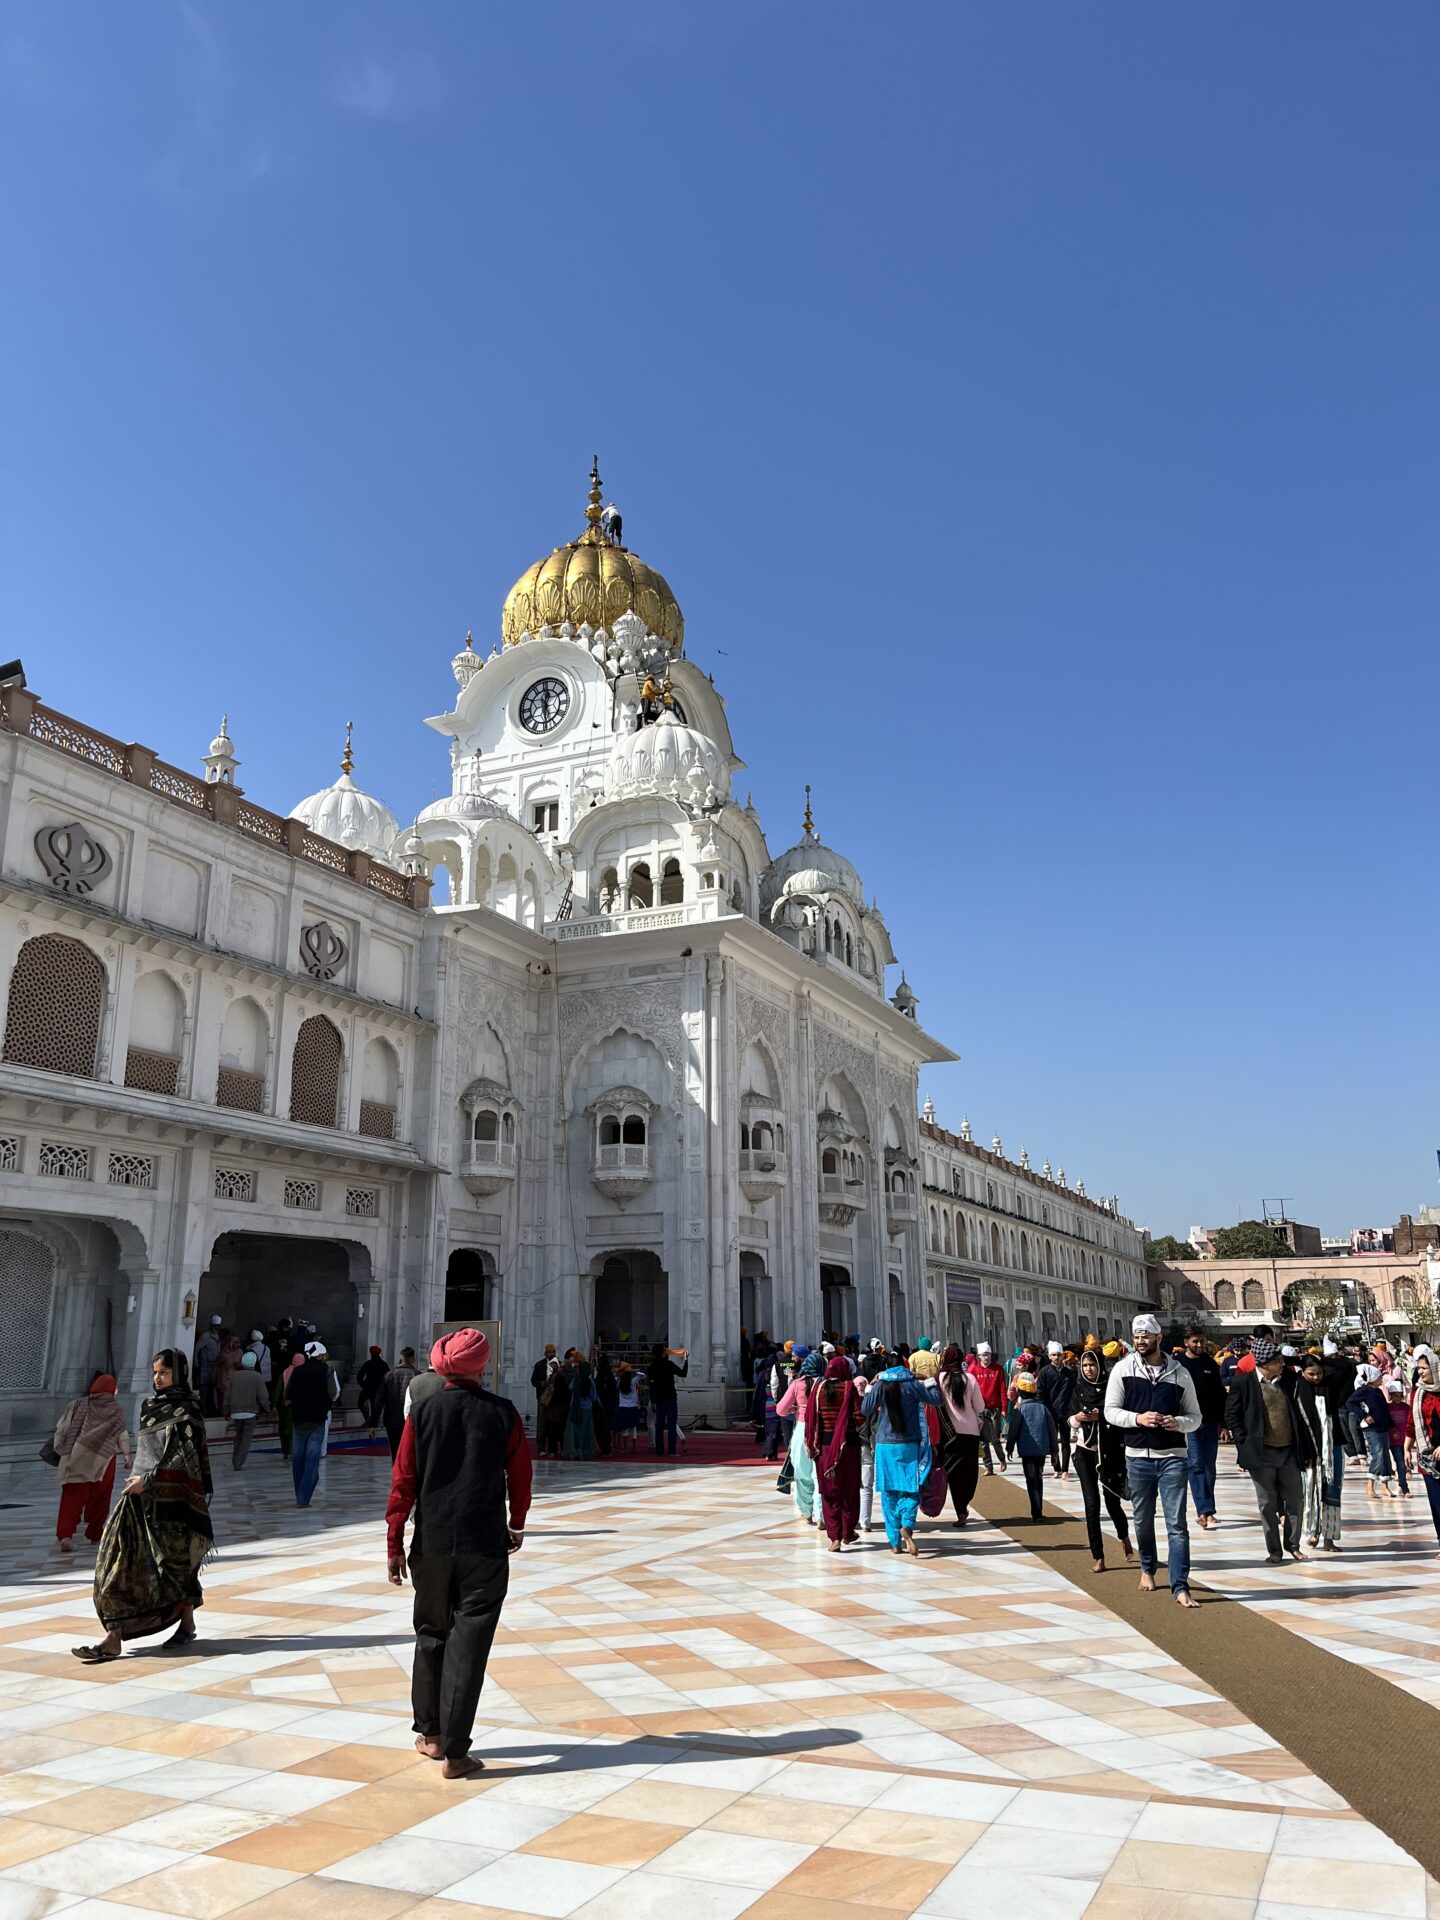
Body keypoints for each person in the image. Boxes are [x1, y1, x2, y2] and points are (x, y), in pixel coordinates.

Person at [386, 1328, 531, 1780]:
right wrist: (516, 1524)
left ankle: (429, 1735)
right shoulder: (503, 1414)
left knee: (431, 1633)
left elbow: (403, 1481)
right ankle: (456, 1752)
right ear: (482, 1365)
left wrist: (394, 1541)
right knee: (469, 1644)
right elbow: (521, 1479)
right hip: (483, 1543)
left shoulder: (424, 1413)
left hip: (431, 1542)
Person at [72, 1349, 212, 1663]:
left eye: (163, 1372)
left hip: (175, 1502)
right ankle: (114, 1634)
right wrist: (139, 1480)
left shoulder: (187, 1410)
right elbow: (146, 1451)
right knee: (118, 1564)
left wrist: (148, 1480)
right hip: (137, 1498)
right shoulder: (150, 1406)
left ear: (178, 1373)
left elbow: (184, 1459)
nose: (157, 1378)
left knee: (174, 1568)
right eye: (154, 1372)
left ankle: (184, 1625)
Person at [1104, 1313, 1202, 1608]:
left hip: (1172, 1456)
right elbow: (1111, 1411)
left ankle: (1180, 1585)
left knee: (1176, 1523)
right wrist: (1137, 1418)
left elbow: (1195, 1417)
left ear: (1159, 1337)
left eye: (1146, 1335)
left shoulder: (1179, 1373)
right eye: (1137, 1336)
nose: (1141, 1341)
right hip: (1137, 1457)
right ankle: (1148, 1567)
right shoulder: (1123, 1370)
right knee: (1143, 1520)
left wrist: (1179, 1423)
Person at [1225, 1338, 1314, 1565]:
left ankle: (1293, 1545)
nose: (1282, 1364)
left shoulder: (1289, 1381)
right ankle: (1274, 1550)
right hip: (1261, 1453)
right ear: (1264, 1363)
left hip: (1288, 1452)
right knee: (1267, 1504)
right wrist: (1244, 1442)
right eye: (1277, 1361)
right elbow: (1232, 1416)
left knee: (1295, 1500)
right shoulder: (1243, 1383)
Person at [860, 1355, 940, 1556]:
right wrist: (928, 1380)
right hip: (908, 1444)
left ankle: (895, 1542)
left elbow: (865, 1408)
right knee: (911, 1488)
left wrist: (871, 1385)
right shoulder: (911, 1384)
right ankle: (907, 1525)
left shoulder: (882, 1384)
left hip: (885, 1445)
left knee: (889, 1492)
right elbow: (937, 1400)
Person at [1069, 1347, 1132, 1571]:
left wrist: (1102, 1414)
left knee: (1112, 1500)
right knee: (1091, 1504)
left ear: (1101, 1367)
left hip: (1107, 1451)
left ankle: (1123, 1536)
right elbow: (1069, 1419)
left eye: (1092, 1365)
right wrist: (1078, 1417)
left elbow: (1120, 1415)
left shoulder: (1111, 1388)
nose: (1088, 1369)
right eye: (1085, 1365)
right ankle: (1098, 1556)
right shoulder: (1077, 1388)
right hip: (1084, 1450)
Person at [52, 1373, 131, 1552]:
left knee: (71, 1498)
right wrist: (127, 1455)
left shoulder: (77, 1404)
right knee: (101, 1498)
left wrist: (63, 1450)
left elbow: (62, 1430)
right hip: (103, 1462)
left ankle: (65, 1535)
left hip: (76, 1457)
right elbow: (122, 1434)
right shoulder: (114, 1409)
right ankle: (95, 1533)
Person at [806, 1355, 865, 1549]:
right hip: (848, 1446)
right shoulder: (849, 1388)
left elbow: (812, 1420)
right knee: (849, 1489)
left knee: (830, 1492)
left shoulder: (818, 1390)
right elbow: (859, 1418)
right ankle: (848, 1532)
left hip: (824, 1447)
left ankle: (835, 1537)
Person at [1295, 1348, 1345, 1552]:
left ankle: (1329, 1537)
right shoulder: (1297, 1389)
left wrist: (1320, 1359)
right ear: (1302, 1373)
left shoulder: (1330, 1385)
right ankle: (1312, 1532)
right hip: (1309, 1448)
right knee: (1310, 1489)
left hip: (1333, 1445)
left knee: (1332, 1489)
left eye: (1319, 1373)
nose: (1316, 1377)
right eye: (1311, 1374)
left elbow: (1346, 1367)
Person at [1179, 1329, 1226, 1530]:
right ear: (1186, 1342)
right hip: (1189, 1423)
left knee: (1209, 1467)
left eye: (1202, 1341)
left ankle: (1207, 1508)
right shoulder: (1179, 1365)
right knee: (1195, 1465)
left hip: (1210, 1422)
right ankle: (1204, 1510)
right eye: (1195, 1341)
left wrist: (1224, 1425)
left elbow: (1220, 1394)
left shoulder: (1209, 1364)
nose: (1199, 1345)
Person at [934, 1343, 986, 1526]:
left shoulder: (938, 1379)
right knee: (970, 1471)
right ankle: (964, 1503)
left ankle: (960, 1511)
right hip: (971, 1432)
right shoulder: (969, 1378)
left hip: (948, 1434)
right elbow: (980, 1407)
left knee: (953, 1473)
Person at [288, 1340, 339, 1508]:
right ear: (321, 1356)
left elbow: (288, 1394)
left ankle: (298, 1495)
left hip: (299, 1418)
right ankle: (303, 1498)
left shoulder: (298, 1371)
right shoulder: (326, 1371)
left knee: (298, 1459)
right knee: (311, 1460)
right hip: (317, 1419)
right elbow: (333, 1393)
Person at [776, 1350, 826, 1524]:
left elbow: (780, 1409)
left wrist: (795, 1409)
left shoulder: (798, 1384)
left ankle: (807, 1512)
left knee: (802, 1473)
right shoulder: (826, 1384)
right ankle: (821, 1516)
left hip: (803, 1429)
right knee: (819, 1475)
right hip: (822, 1430)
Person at [1007, 1373, 1056, 1520]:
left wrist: (1009, 1447)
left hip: (1027, 1451)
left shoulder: (1019, 1410)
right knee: (1038, 1478)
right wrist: (1054, 1452)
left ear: (1020, 1393)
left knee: (1031, 1480)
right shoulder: (1043, 1409)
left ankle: (1036, 1512)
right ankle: (1038, 1510)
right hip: (1041, 1450)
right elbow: (1052, 1431)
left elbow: (1013, 1430)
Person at [1346, 1363, 1394, 1500]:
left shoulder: (1378, 1391)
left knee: (1384, 1454)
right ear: (1372, 1378)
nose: (1381, 1379)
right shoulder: (1364, 1390)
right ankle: (1370, 1485)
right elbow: (1350, 1403)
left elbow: (1383, 1409)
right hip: (1372, 1429)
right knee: (1377, 1453)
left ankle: (1385, 1485)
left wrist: (1390, 1423)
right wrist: (1364, 1415)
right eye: (1379, 1377)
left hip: (1383, 1427)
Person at [1411, 1346, 1440, 1548]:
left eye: (1424, 1368)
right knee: (1437, 1503)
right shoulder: (1418, 1392)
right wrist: (1406, 1448)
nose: (1420, 1372)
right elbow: (1412, 1424)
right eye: (1419, 1368)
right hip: (1428, 1456)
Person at [224, 1350, 269, 1470]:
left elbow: (228, 1395)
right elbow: (263, 1397)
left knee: (238, 1437)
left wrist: (226, 1410)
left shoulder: (235, 1376)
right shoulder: (257, 1376)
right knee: (246, 1439)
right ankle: (238, 1463)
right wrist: (268, 1409)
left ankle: (235, 1461)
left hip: (236, 1413)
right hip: (250, 1413)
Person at [967, 1341, 1008, 1474]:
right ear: (979, 1356)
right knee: (984, 1440)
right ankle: (989, 1467)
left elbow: (1003, 1389)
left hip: (994, 1407)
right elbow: (969, 1390)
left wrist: (1004, 1408)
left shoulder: (998, 1369)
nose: (986, 1357)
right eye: (983, 1355)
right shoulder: (973, 1370)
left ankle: (1002, 1458)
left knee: (995, 1438)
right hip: (979, 1409)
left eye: (988, 1355)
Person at [1037, 1342, 1075, 1480]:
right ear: (1049, 1356)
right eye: (1054, 1355)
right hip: (1050, 1412)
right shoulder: (1044, 1372)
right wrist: (1044, 1410)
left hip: (1065, 1412)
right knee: (1053, 1442)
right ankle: (1056, 1468)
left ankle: (1065, 1469)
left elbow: (1074, 1393)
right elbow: (1040, 1393)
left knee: (1065, 1442)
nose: (1056, 1357)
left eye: (1059, 1355)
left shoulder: (1069, 1373)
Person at [647, 1343, 688, 1456]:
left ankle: (659, 1451)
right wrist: (686, 1360)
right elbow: (683, 1373)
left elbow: (652, 1386)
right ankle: (672, 1451)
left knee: (659, 1426)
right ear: (663, 1353)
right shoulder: (669, 1365)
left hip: (659, 1399)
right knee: (671, 1425)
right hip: (670, 1397)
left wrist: (653, 1401)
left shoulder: (651, 1367)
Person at [382, 1348, 418, 1459]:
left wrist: (373, 1423)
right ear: (413, 1359)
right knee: (410, 1452)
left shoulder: (389, 1375)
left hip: (391, 1419)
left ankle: (395, 1473)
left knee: (394, 1450)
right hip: (410, 1420)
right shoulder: (417, 1376)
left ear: (400, 1359)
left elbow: (379, 1399)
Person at [531, 1345, 566, 1456]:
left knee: (556, 1425)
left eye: (553, 1352)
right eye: (550, 1352)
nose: (552, 1354)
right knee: (542, 1424)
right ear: (545, 1353)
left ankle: (556, 1448)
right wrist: (542, 1383)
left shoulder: (560, 1365)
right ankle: (541, 1448)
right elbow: (533, 1380)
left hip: (556, 1400)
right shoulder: (539, 1365)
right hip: (543, 1399)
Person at [563, 1359, 597, 1459]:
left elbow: (569, 1388)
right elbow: (594, 1398)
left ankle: (573, 1452)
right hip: (587, 1410)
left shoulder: (576, 1380)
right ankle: (585, 1453)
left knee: (574, 1433)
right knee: (585, 1432)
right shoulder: (591, 1382)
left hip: (575, 1409)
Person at [357, 1346, 390, 1440]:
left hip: (368, 1388)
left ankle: (368, 1419)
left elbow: (359, 1376)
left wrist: (364, 1385)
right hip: (378, 1390)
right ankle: (371, 1425)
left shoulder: (368, 1363)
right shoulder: (384, 1364)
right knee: (375, 1410)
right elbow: (388, 1377)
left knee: (360, 1403)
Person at [193, 1314, 223, 1414]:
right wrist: (196, 1363)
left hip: (214, 1366)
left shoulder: (218, 1336)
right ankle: (203, 1409)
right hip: (205, 1366)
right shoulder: (205, 1336)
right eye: (215, 1326)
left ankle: (210, 1408)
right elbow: (197, 1349)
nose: (217, 1328)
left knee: (211, 1389)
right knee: (204, 1389)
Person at [212, 1332, 243, 1421]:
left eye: (238, 1342)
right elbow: (216, 1365)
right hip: (223, 1379)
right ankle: (223, 1416)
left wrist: (239, 1365)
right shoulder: (223, 1352)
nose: (238, 1344)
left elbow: (241, 1365)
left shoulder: (240, 1352)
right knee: (223, 1400)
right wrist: (213, 1376)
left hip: (234, 1379)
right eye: (235, 1342)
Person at [613, 1364, 643, 1452]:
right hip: (633, 1406)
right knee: (633, 1427)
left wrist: (621, 1371)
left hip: (623, 1407)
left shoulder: (619, 1382)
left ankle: (625, 1447)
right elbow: (642, 1375)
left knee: (624, 1427)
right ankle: (634, 1447)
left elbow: (614, 1376)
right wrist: (633, 1370)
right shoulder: (633, 1381)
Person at [593, 1352, 617, 1457]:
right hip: (606, 1406)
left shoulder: (604, 1376)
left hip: (603, 1406)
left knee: (603, 1429)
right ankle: (605, 1448)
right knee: (604, 1429)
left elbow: (604, 1390)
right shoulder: (606, 1375)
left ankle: (606, 1448)